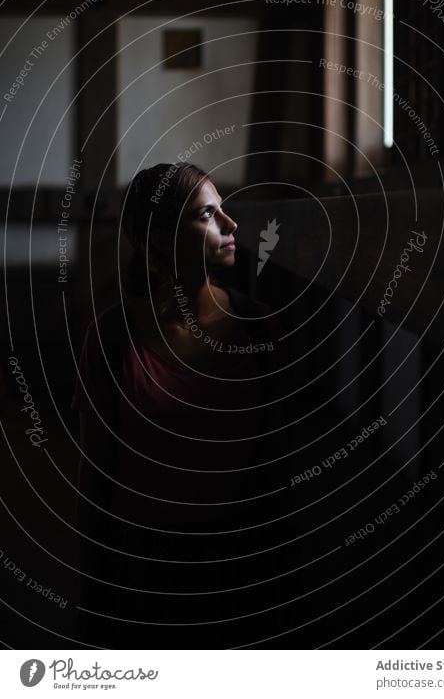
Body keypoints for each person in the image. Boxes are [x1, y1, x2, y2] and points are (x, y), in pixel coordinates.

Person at [71, 162, 287, 649]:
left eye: (224, 210)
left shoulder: (261, 328)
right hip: (144, 570)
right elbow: (97, 478)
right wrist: (92, 596)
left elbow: (279, 468)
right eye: (208, 215)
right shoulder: (111, 338)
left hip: (242, 565)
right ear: (161, 237)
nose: (230, 226)